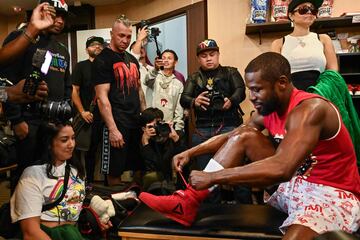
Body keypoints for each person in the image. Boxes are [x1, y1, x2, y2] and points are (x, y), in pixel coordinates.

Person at [139, 52, 360, 239]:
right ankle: (188, 202)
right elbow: (232, 136)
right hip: (295, 187)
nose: (252, 97)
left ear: (282, 83)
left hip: (330, 194)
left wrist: (213, 177)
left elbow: (282, 169)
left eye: (257, 89)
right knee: (244, 134)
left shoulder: (310, 109)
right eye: (250, 90)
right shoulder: (269, 110)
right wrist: (191, 151)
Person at [2, 0, 72, 191]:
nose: (59, 21)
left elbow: (67, 85)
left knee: (49, 174)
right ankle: (19, 220)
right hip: (28, 120)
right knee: (26, 175)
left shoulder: (62, 49)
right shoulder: (21, 38)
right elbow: (7, 80)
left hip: (53, 122)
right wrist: (16, 120)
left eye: (63, 17)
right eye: (55, 14)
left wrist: (65, 117)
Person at [180, 38, 248, 203]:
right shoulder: (194, 77)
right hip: (202, 130)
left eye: (212, 54)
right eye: (204, 56)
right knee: (205, 175)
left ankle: (245, 211)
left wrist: (231, 100)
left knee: (239, 173)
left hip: (229, 126)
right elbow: (184, 98)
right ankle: (211, 213)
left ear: (218, 55)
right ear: (198, 59)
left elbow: (241, 90)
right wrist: (194, 102)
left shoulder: (231, 72)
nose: (209, 58)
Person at [93, 15, 146, 186]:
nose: (125, 40)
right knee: (114, 170)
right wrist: (112, 129)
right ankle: (117, 207)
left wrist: (144, 118)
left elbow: (139, 90)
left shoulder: (131, 59)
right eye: (121, 35)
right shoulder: (103, 60)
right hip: (116, 122)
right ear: (111, 34)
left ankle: (134, 203)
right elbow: (102, 98)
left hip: (134, 121)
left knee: (137, 165)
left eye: (128, 36)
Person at [271, 0, 338, 91]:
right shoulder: (278, 43)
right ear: (291, 15)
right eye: (304, 9)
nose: (309, 12)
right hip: (290, 97)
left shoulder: (324, 39)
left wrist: (319, 93)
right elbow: (276, 76)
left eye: (313, 10)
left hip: (320, 94)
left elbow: (333, 74)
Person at [71, 36, 104, 184]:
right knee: (77, 150)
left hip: (102, 116)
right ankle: (75, 182)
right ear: (86, 49)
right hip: (84, 114)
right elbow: (74, 90)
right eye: (93, 45)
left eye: (99, 45)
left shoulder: (106, 67)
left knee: (94, 151)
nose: (97, 47)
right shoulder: (81, 66)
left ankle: (90, 183)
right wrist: (82, 111)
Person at [139, 107, 187, 191]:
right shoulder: (145, 142)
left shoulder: (174, 135)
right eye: (151, 126)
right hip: (155, 186)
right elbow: (157, 166)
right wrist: (145, 143)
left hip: (178, 185)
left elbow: (187, 161)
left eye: (159, 123)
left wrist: (176, 140)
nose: (157, 128)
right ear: (144, 129)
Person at [146, 49, 184, 132]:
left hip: (168, 127)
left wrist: (178, 129)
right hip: (151, 124)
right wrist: (155, 69)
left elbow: (179, 109)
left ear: (175, 62)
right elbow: (147, 81)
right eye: (163, 58)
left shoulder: (178, 84)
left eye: (169, 58)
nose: (166, 60)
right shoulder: (154, 76)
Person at [129, 26, 155, 106]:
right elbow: (134, 56)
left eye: (142, 48)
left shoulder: (153, 69)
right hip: (139, 106)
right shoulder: (132, 67)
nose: (140, 49)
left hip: (154, 108)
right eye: (138, 48)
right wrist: (139, 39)